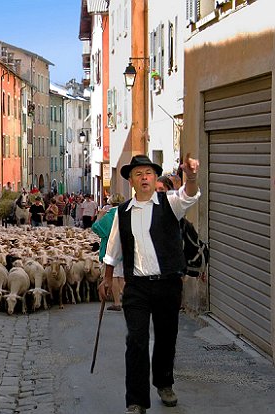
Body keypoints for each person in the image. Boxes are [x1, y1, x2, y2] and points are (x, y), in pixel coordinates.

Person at [99, 154, 200, 414]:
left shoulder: (170, 204)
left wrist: (191, 176)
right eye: (138, 174)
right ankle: (136, 400)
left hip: (167, 284)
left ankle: (164, 383)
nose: (144, 177)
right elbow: (113, 248)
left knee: (166, 338)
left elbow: (190, 195)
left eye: (148, 173)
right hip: (137, 288)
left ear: (155, 178)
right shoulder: (122, 213)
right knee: (136, 340)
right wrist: (107, 278)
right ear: (131, 181)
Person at [91, 193, 125, 311]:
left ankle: (117, 302)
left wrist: (99, 216)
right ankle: (125, 300)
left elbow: (97, 228)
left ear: (111, 203)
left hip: (112, 249)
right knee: (122, 275)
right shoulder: (126, 213)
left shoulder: (110, 215)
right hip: (125, 248)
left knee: (114, 275)